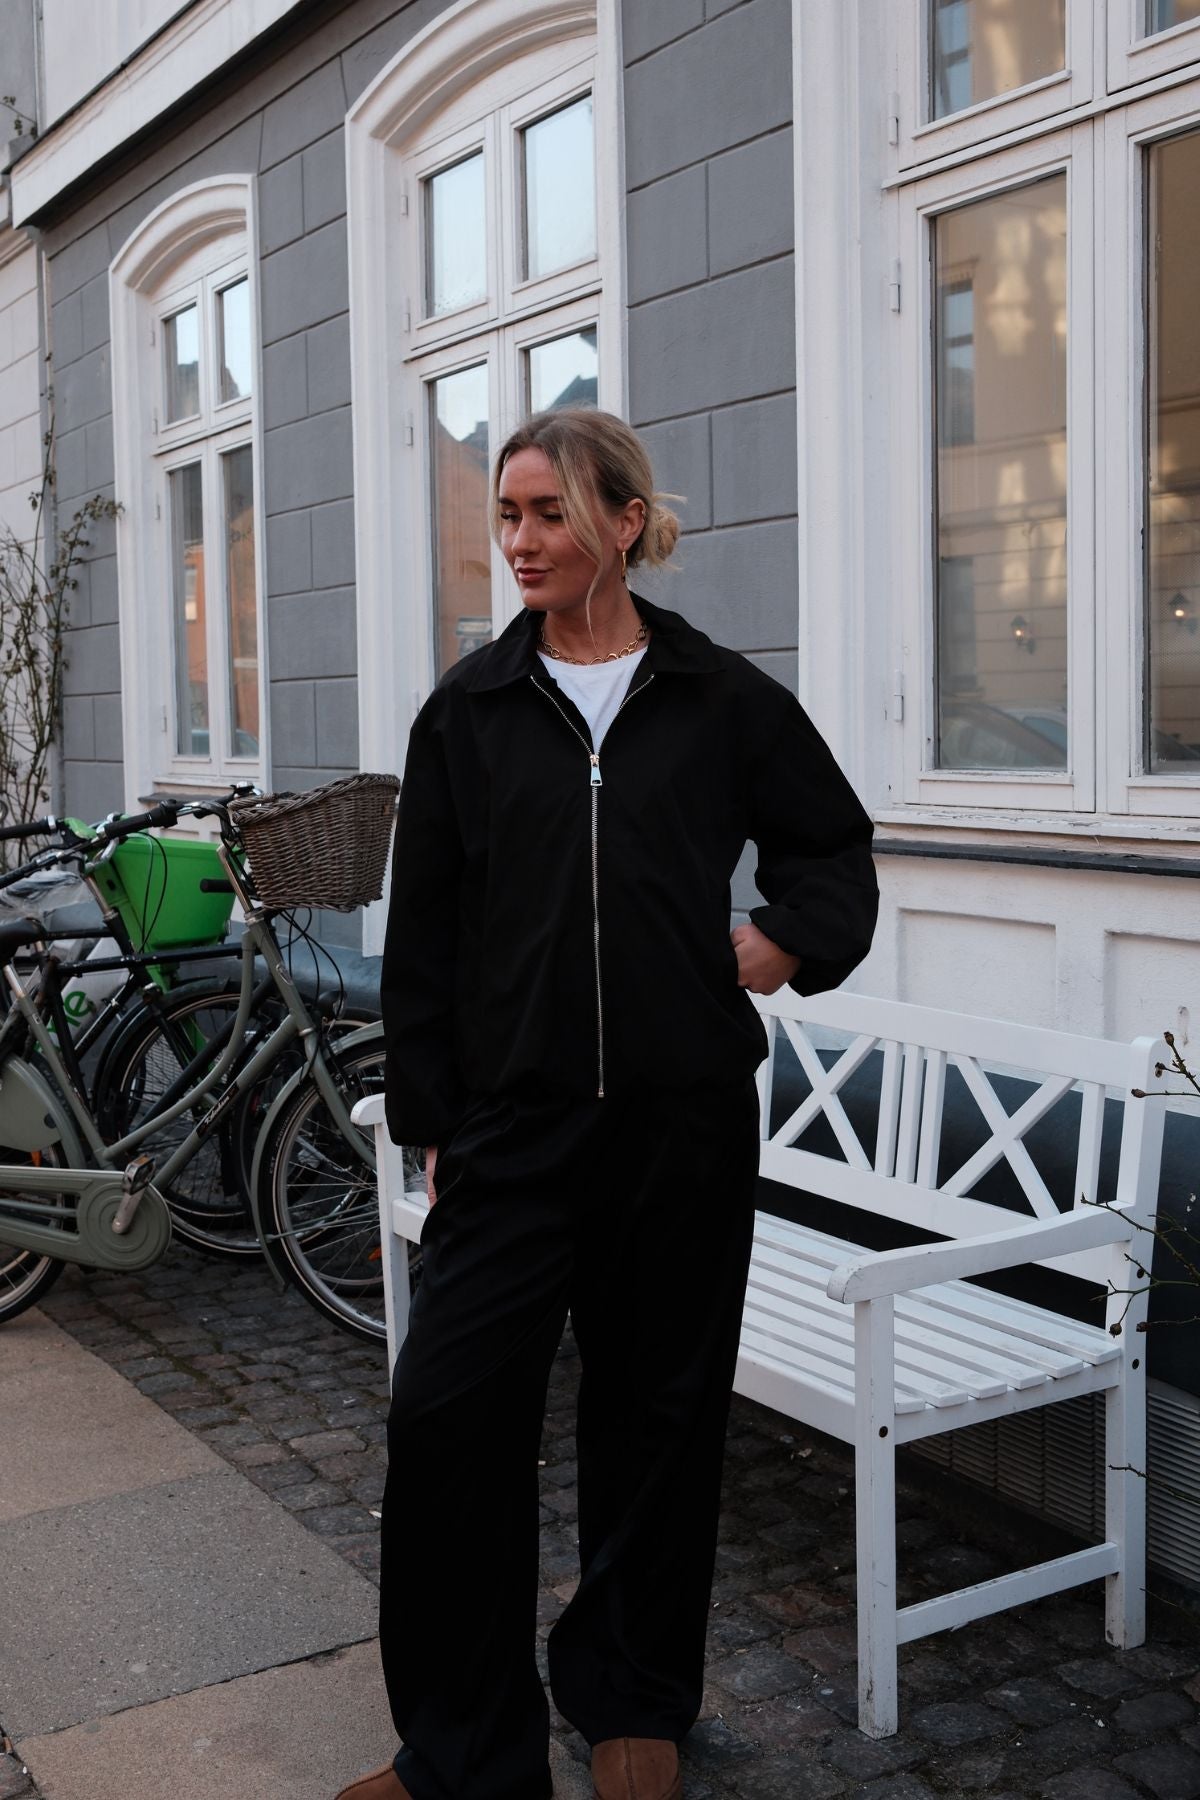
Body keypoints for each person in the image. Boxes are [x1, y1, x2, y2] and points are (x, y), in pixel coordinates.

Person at [338, 408, 878, 1800]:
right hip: (515, 1136)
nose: (519, 542)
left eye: (549, 514)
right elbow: (426, 935)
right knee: (449, 1425)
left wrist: (780, 943)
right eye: (508, 516)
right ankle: (463, 1744)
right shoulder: (468, 710)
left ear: (625, 523)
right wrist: (435, 1119)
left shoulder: (719, 698)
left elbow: (832, 849)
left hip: (679, 1131)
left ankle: (632, 1700)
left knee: (658, 1424)